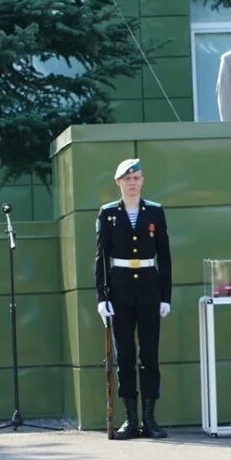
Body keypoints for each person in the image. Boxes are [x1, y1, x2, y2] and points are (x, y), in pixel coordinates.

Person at [94, 159, 173, 440]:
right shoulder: (108, 214)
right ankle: (130, 420)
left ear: (142, 181)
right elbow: (101, 257)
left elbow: (164, 256)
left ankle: (150, 419)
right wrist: (102, 297)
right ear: (118, 182)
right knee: (125, 356)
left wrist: (166, 296)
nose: (132, 183)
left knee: (149, 355)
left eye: (137, 178)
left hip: (149, 289)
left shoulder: (154, 211)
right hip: (120, 289)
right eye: (127, 179)